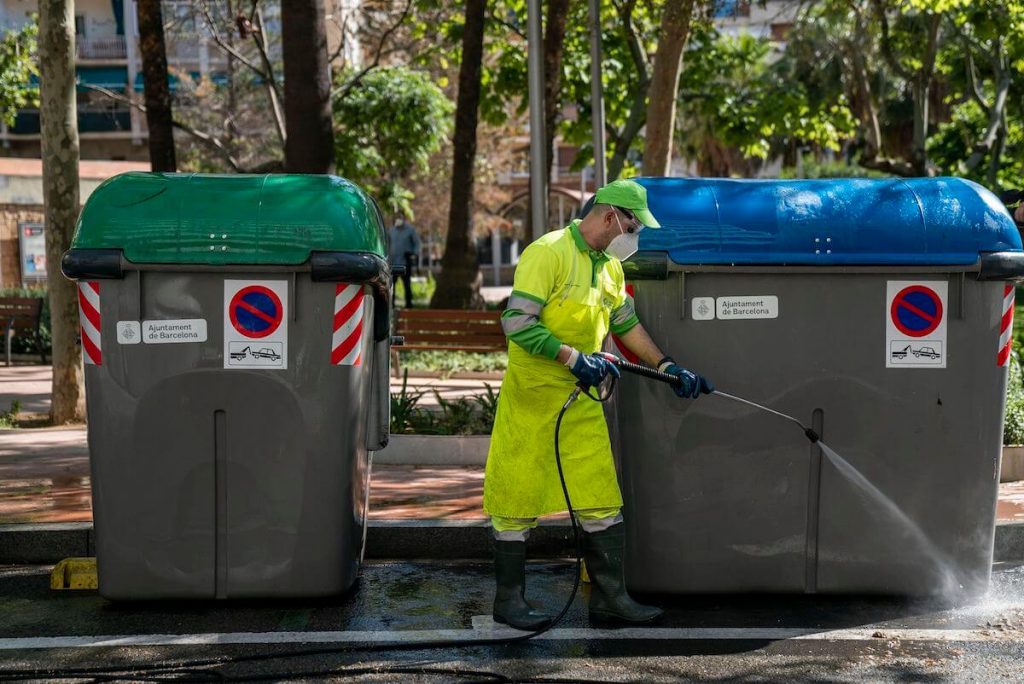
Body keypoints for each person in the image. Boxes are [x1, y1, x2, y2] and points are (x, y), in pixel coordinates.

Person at [484, 179, 714, 629]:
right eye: (633, 225)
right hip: (532, 399)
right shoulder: (547, 253)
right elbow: (516, 322)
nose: (636, 236)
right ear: (610, 216)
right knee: (515, 501)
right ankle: (508, 602)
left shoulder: (610, 268)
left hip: (580, 400)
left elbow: (626, 325)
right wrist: (572, 357)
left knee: (600, 501)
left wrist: (669, 367)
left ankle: (611, 598)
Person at [388, 215, 422, 308]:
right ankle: (391, 305)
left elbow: (417, 243)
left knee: (407, 285)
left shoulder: (410, 230)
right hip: (393, 263)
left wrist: (413, 254)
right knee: (391, 286)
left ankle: (409, 305)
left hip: (405, 263)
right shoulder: (391, 231)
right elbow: (388, 244)